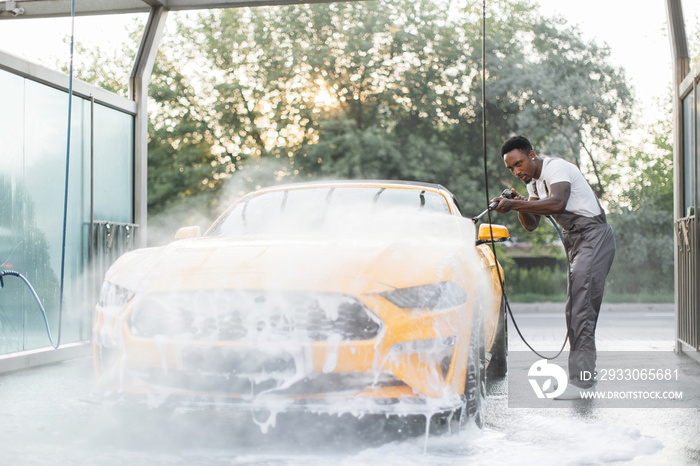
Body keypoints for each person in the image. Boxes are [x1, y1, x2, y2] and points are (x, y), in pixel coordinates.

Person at [492, 135, 616, 400]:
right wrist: (519, 205)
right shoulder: (535, 184)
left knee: (581, 309)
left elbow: (557, 203)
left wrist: (516, 203)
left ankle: (582, 384)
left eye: (519, 163)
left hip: (593, 237)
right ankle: (584, 379)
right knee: (574, 309)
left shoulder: (556, 168)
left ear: (532, 154)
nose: (517, 171)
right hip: (577, 243)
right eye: (511, 169)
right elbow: (532, 224)